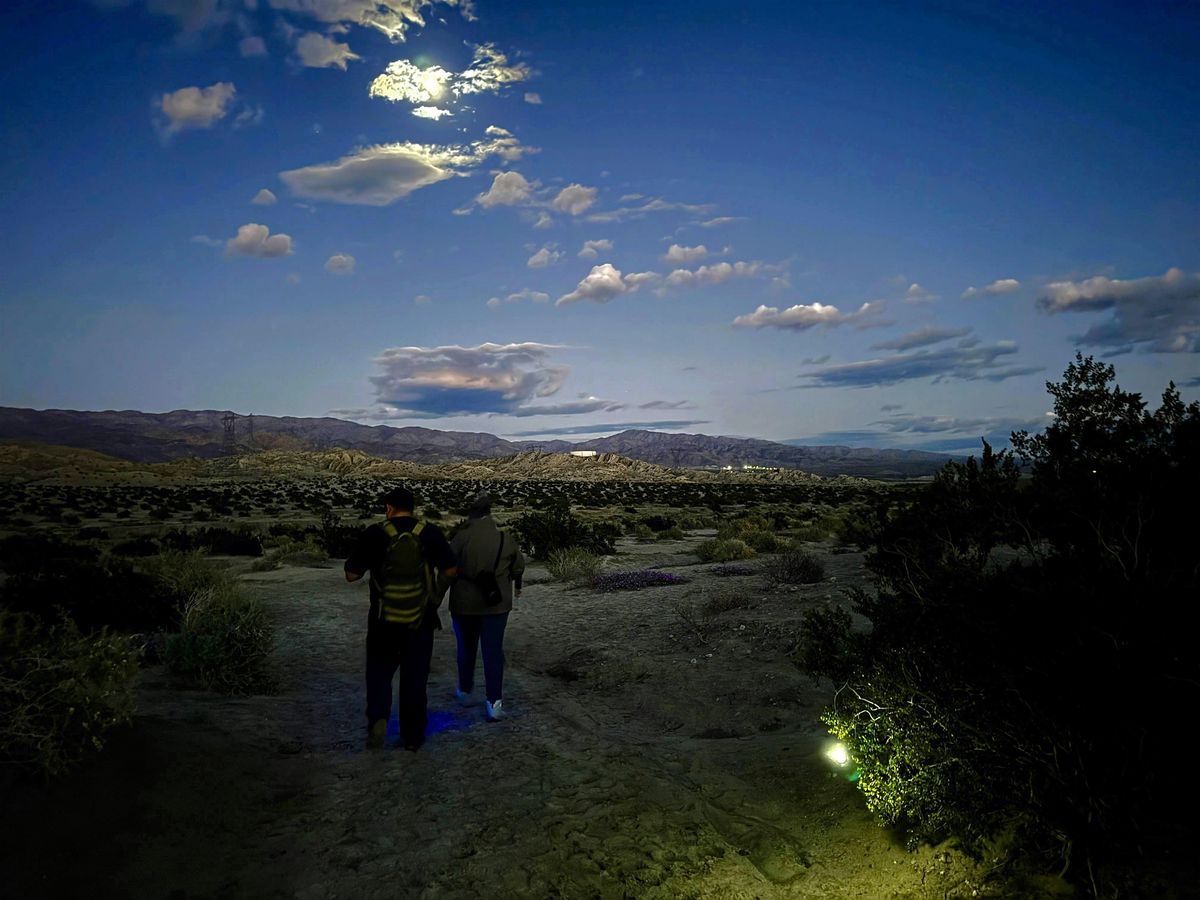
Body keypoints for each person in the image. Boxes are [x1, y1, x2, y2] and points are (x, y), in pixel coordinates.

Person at [344, 486, 457, 751]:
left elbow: (351, 575)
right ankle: (413, 735)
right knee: (415, 678)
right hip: (420, 620)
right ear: (413, 508)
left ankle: (378, 721)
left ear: (389, 508)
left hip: (383, 620)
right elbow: (451, 569)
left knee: (379, 673)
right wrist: (434, 597)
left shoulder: (375, 533)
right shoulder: (428, 532)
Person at [448, 492, 525, 721]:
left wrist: (434, 596)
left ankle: (465, 690)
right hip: (496, 605)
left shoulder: (460, 538)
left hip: (464, 604)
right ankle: (494, 702)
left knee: (466, 648)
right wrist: (511, 581)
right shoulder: (505, 538)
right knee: (493, 652)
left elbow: (447, 570)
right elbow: (518, 566)